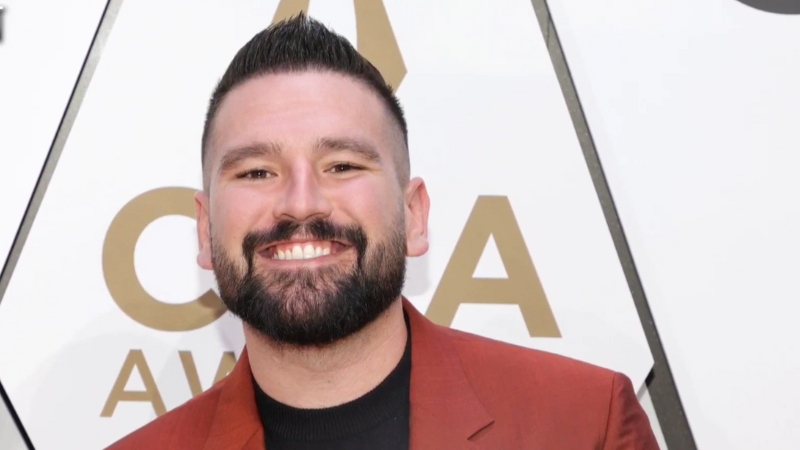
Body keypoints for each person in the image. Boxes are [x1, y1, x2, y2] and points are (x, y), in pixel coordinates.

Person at [108, 13, 660, 450]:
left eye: (342, 165)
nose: (301, 202)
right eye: (257, 172)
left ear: (415, 216)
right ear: (205, 232)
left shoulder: (585, 425)